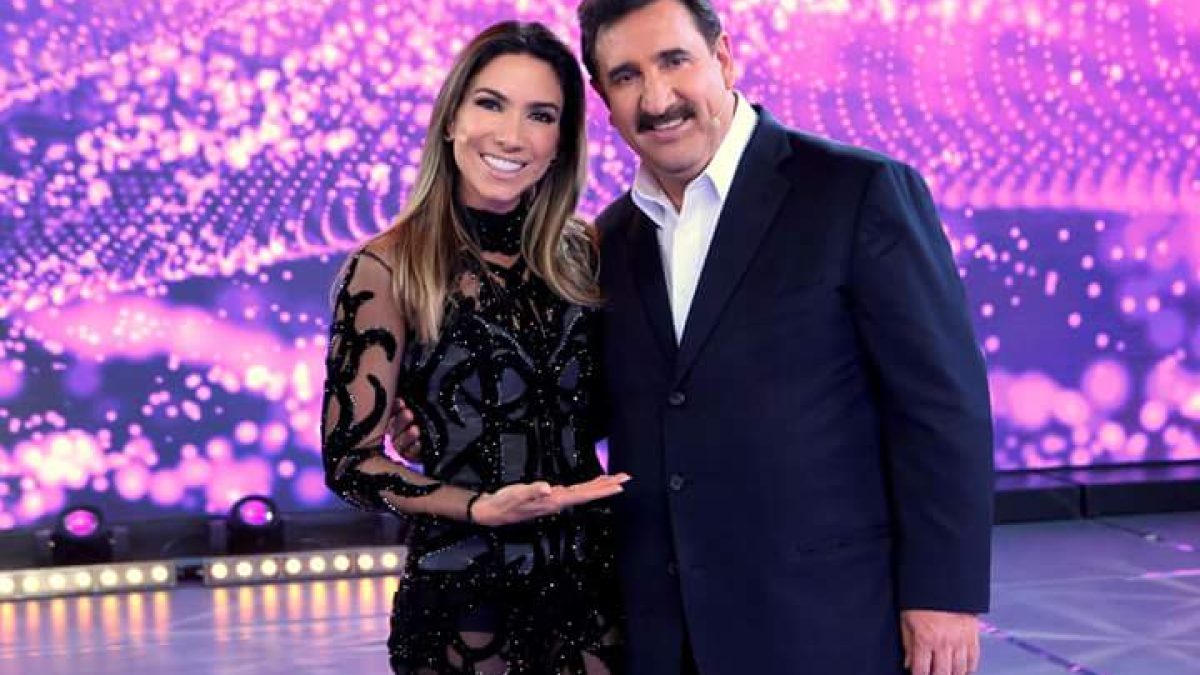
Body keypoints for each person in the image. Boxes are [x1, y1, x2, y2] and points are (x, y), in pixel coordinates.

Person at [576, 1, 996, 674]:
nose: (656, 99)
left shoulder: (858, 191)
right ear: (602, 96)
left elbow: (941, 406)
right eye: (626, 76)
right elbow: (601, 405)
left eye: (674, 60)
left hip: (828, 623)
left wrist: (943, 595)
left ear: (723, 57)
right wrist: (444, 421)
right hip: (667, 636)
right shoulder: (611, 239)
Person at [320, 21, 628, 675]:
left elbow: (601, 408)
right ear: (452, 119)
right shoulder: (386, 267)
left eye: (540, 115)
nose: (512, 135)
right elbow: (350, 462)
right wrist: (476, 506)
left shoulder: (585, 255)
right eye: (491, 103)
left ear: (561, 143)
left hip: (592, 588)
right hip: (463, 597)